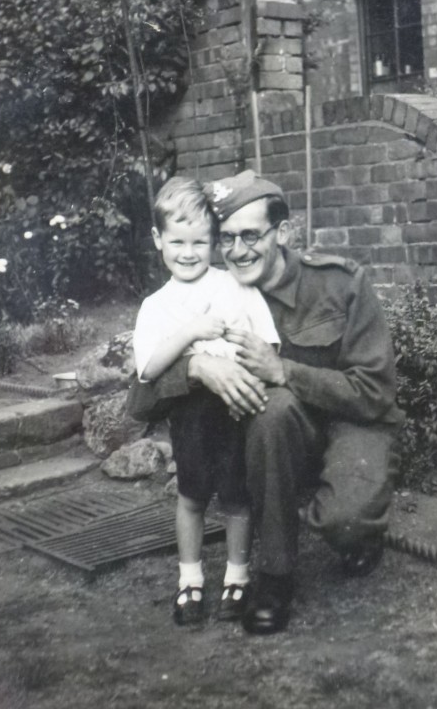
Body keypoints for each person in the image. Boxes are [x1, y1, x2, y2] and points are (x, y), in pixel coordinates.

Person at [185, 170, 405, 635]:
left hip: (354, 423)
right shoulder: (217, 294)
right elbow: (144, 386)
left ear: (282, 232)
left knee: (344, 521)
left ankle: (359, 524)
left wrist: (284, 369)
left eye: (250, 235)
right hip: (283, 431)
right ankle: (275, 577)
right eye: (226, 239)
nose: (238, 251)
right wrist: (197, 366)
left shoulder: (341, 283)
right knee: (273, 410)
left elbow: (376, 392)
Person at [132, 177, 279, 627]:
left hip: (235, 409)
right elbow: (149, 368)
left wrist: (249, 373)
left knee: (237, 496)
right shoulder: (155, 306)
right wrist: (192, 332)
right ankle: (189, 581)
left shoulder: (235, 287)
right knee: (192, 495)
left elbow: (268, 344)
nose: (189, 252)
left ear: (214, 242)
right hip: (190, 414)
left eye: (200, 242)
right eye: (178, 242)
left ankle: (237, 576)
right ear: (158, 240)